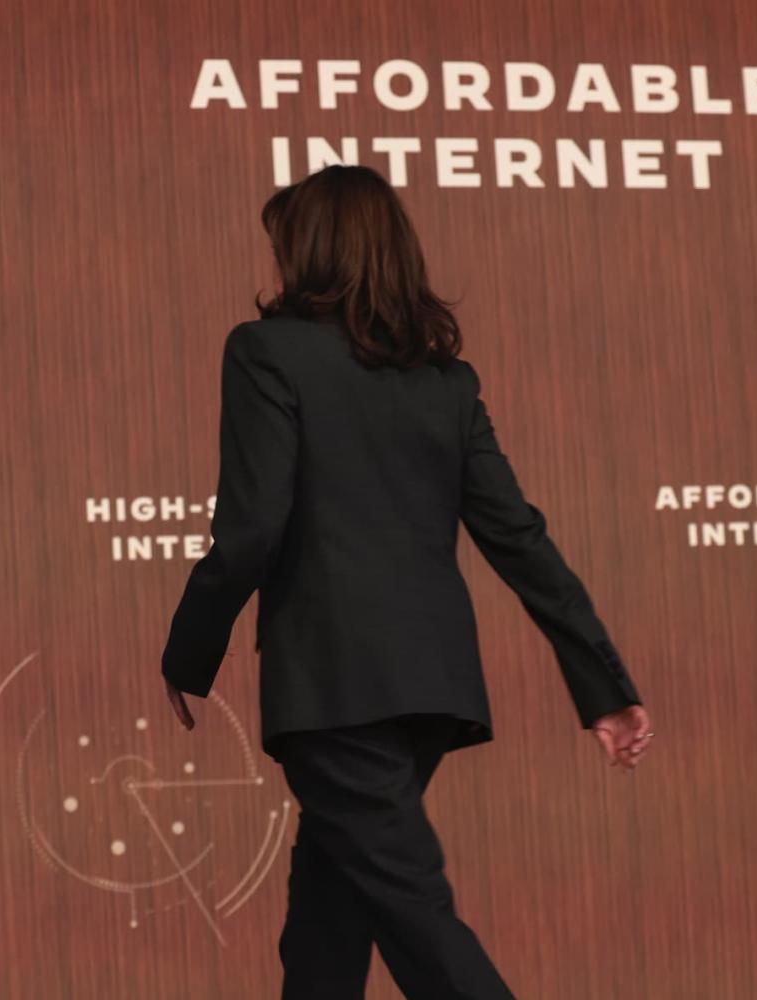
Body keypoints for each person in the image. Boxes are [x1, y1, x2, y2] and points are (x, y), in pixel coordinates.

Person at [160, 163, 653, 999]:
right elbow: (519, 540)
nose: (275, 263)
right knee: (328, 917)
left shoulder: (264, 352)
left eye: (283, 246)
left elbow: (250, 528)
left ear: (311, 252)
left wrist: (188, 654)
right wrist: (602, 684)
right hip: (431, 687)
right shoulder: (445, 384)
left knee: (414, 914)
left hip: (335, 685)